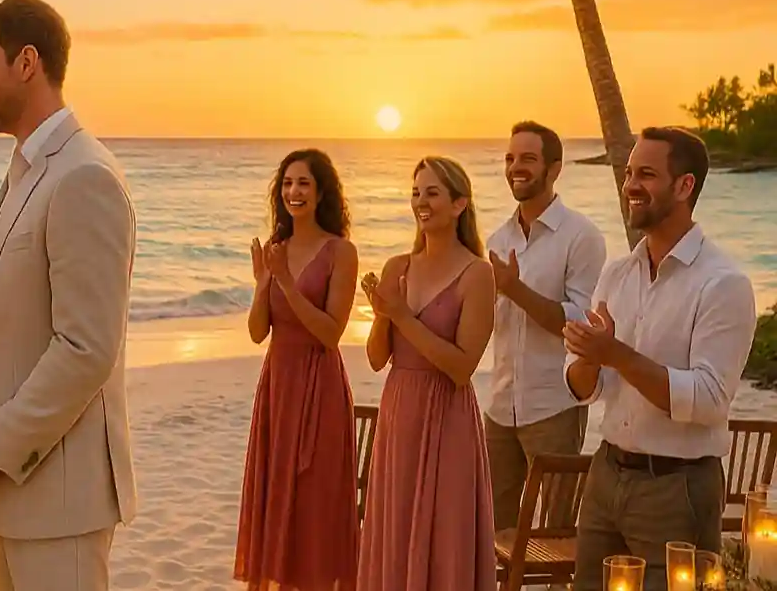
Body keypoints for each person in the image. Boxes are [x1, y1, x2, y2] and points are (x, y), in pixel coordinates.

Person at [0, 0, 137, 591]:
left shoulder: (84, 176)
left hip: (59, 504)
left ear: (27, 63)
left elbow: (85, 351)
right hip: (14, 497)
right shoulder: (27, 168)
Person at [566, 127, 757, 590]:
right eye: (630, 172)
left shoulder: (722, 284)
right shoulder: (616, 273)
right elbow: (582, 386)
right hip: (606, 474)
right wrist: (592, 359)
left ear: (684, 186)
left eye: (646, 174)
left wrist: (616, 353)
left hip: (678, 488)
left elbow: (710, 400)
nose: (630, 184)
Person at [358, 156, 497, 590]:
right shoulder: (398, 266)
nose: (421, 201)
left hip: (447, 417)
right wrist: (383, 315)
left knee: (444, 531)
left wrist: (402, 315)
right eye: (416, 192)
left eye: (432, 192)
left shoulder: (478, 274)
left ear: (459, 204)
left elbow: (462, 367)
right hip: (400, 413)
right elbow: (377, 358)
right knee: (394, 527)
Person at [235, 148, 361, 591]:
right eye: (287, 184)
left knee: (313, 503)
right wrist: (263, 283)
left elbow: (330, 333)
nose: (294, 192)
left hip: (318, 386)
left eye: (303, 183)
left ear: (322, 191)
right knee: (274, 499)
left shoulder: (341, 252)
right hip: (277, 386)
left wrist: (286, 281)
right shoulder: (276, 251)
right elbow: (257, 332)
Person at [485, 121, 606, 531]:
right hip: (499, 407)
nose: (515, 167)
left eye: (527, 159)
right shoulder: (498, 238)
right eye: (510, 158)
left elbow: (578, 324)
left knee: (556, 532)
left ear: (554, 169)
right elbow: (490, 321)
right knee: (491, 531)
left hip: (554, 405)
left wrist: (514, 289)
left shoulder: (581, 236)